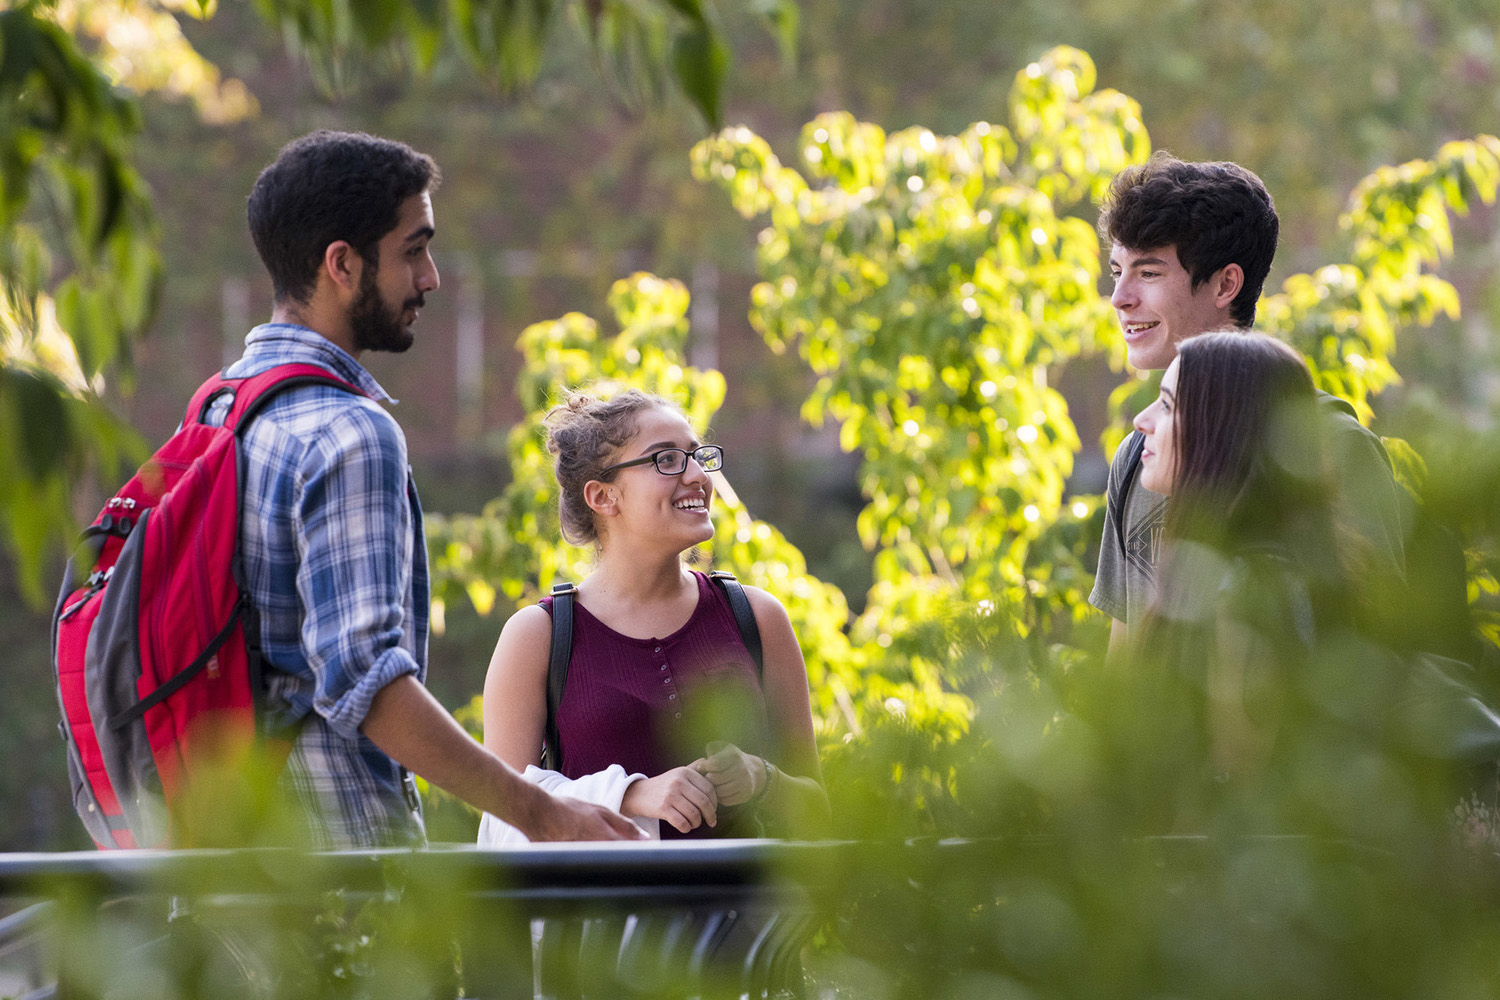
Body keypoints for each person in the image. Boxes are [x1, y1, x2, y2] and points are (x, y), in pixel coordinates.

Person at [231, 130, 642, 848]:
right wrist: (543, 815)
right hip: (335, 881)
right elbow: (368, 686)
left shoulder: (221, 410)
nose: (432, 277)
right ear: (342, 264)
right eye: (414, 250)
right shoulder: (347, 432)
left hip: (226, 862)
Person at [478, 388, 829, 842]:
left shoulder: (758, 617)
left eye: (695, 456)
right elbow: (501, 819)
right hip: (608, 912)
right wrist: (628, 795)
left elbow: (820, 815)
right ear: (603, 496)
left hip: (754, 912)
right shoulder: (537, 636)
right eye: (666, 460)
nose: (698, 476)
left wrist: (762, 778)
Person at [1090, 152, 1407, 654]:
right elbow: (1125, 670)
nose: (1119, 298)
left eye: (1147, 273)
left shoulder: (1331, 448)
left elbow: (1380, 665)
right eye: (1117, 271)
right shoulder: (1140, 456)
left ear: (1225, 284)